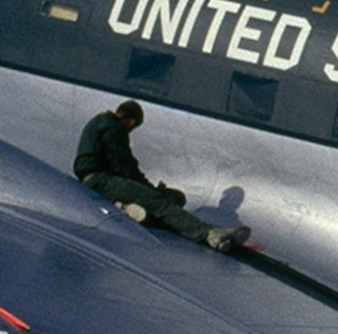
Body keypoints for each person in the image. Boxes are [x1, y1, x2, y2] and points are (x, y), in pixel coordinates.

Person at [74, 99, 249, 252]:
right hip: (102, 181)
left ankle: (125, 207)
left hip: (97, 181)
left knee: (175, 198)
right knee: (159, 202)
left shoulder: (99, 122)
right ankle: (209, 234)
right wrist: (149, 190)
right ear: (132, 121)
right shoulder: (113, 129)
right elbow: (124, 166)